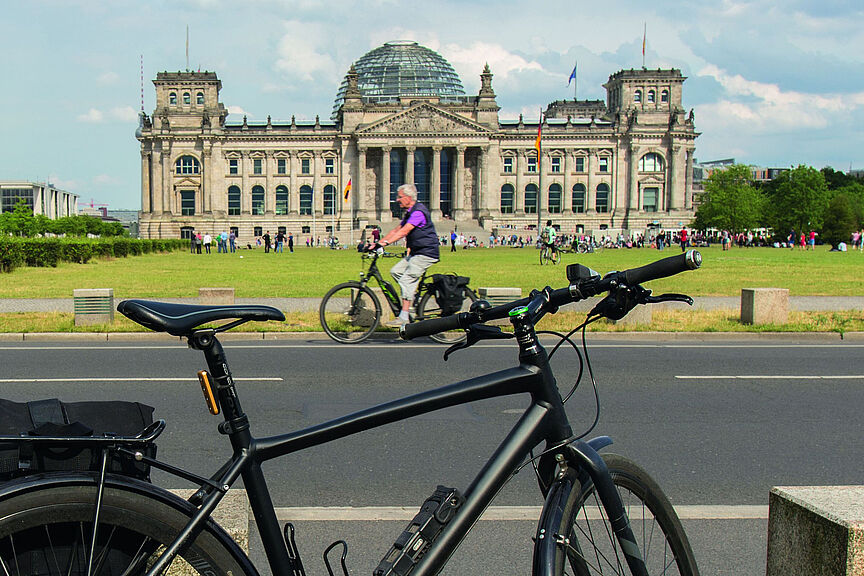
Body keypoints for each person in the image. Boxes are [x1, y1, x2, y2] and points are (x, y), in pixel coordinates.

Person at [368, 183, 439, 328]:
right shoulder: (410, 212)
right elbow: (396, 229)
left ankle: (404, 316)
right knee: (396, 272)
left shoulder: (418, 212)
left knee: (406, 280)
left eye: (400, 197)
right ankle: (410, 303)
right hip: (416, 252)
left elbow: (404, 232)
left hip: (426, 253)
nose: (397, 200)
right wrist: (377, 243)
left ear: (408, 197)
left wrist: (384, 244)